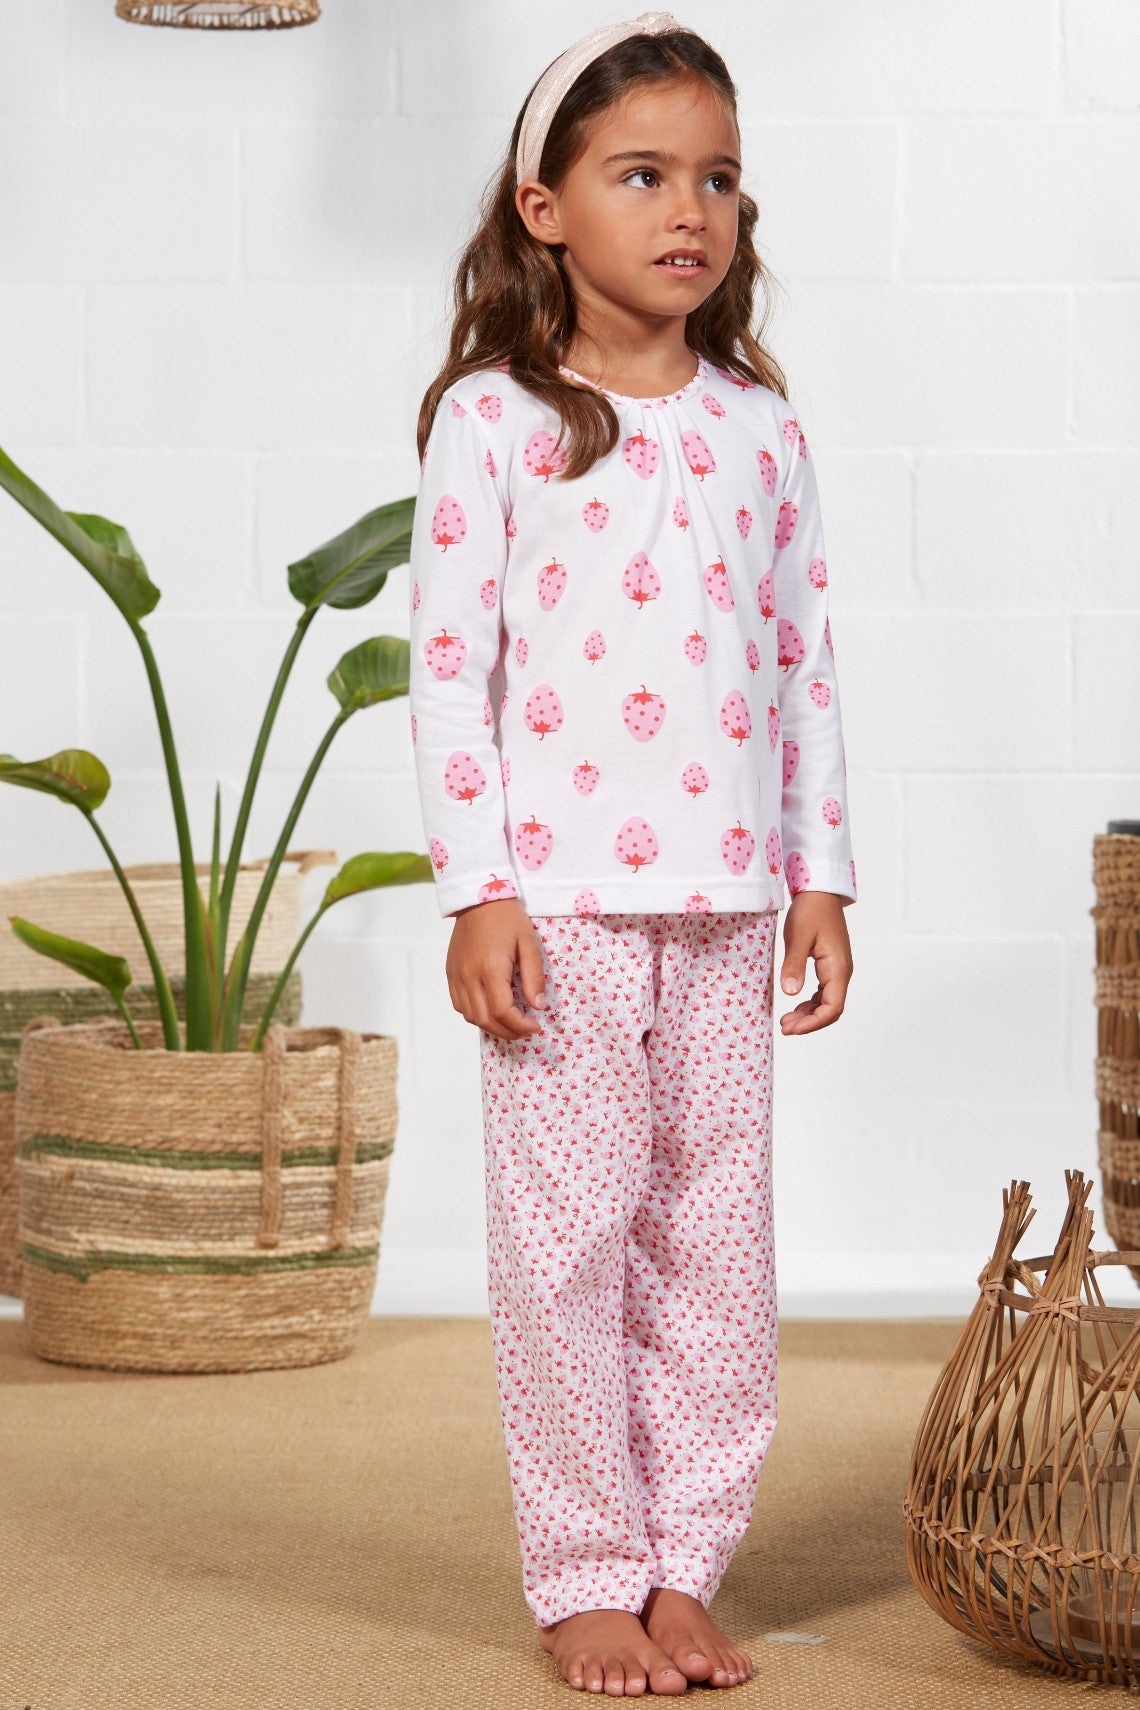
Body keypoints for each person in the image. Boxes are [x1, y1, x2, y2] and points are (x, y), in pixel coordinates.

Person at [407, 11, 855, 1695]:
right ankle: (589, 1564)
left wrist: (822, 874)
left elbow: (805, 664)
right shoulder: (495, 422)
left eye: (719, 179)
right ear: (545, 208)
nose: (691, 211)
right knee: (568, 1241)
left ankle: (685, 1560)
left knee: (717, 1246)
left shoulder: (761, 429)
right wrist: (479, 888)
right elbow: (448, 676)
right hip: (566, 906)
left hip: (728, 903)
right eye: (645, 175)